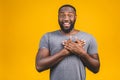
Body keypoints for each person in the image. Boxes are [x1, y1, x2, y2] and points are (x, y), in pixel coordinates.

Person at [35, 4, 100, 80]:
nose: (66, 18)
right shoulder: (48, 37)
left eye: (70, 15)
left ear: (75, 17)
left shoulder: (89, 38)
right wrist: (65, 52)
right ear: (58, 17)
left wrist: (81, 53)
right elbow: (39, 66)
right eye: (62, 15)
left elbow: (96, 68)